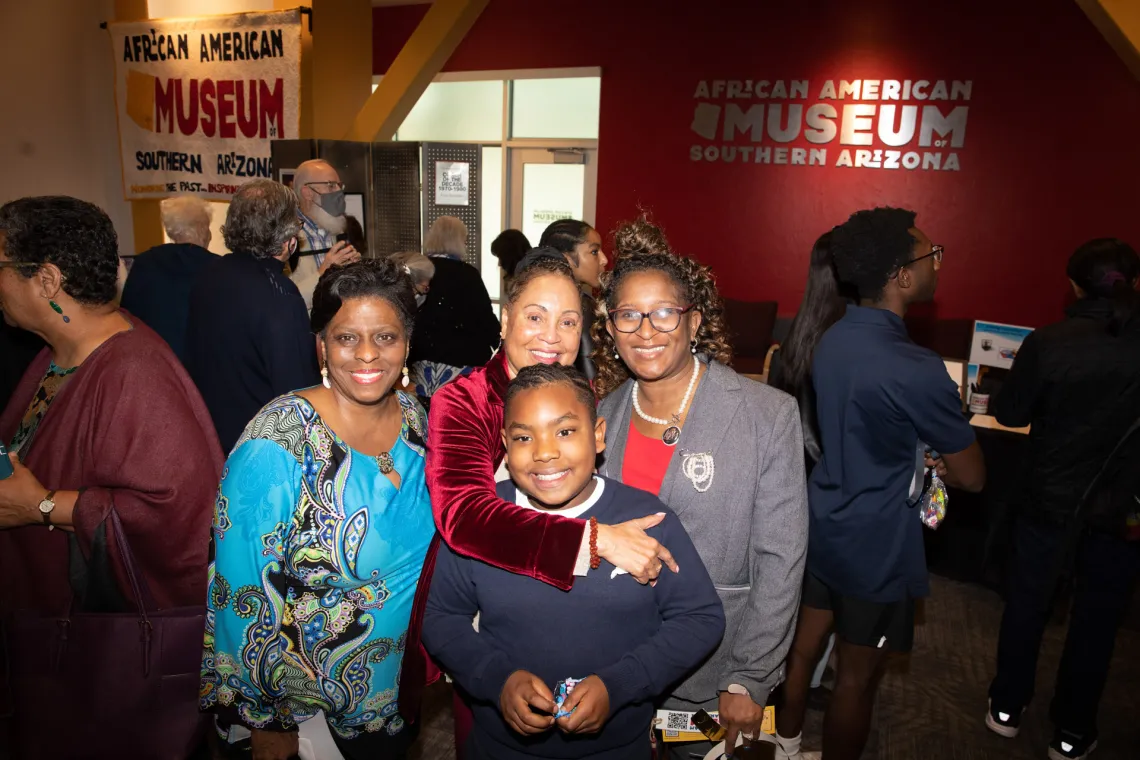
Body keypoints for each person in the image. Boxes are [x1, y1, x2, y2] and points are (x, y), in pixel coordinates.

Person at [399, 249, 680, 756]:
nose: (551, 336)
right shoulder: (464, 399)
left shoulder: (581, 393)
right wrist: (594, 542)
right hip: (488, 617)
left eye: (568, 321)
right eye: (535, 317)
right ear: (505, 320)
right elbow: (464, 516)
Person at [0, 196, 223, 756]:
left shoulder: (133, 372)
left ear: (46, 279)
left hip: (99, 654)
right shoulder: (61, 353)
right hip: (49, 633)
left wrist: (44, 506)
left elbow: (180, 514)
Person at [423, 364, 725, 760]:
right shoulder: (483, 520)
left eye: (565, 431)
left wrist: (619, 685)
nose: (545, 452)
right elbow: (440, 617)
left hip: (616, 748)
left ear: (598, 435)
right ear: (504, 443)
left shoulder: (647, 518)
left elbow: (700, 618)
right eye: (523, 436)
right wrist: (497, 680)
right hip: (501, 748)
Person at [592, 218, 808, 758]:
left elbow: (781, 557)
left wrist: (751, 677)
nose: (646, 330)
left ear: (694, 322)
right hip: (617, 666)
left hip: (714, 673)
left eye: (664, 312)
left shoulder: (766, 415)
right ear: (611, 329)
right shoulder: (601, 418)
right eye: (628, 315)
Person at [201, 258, 433, 760]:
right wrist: (265, 720)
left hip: (396, 702)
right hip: (307, 723)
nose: (367, 354)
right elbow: (240, 593)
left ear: (408, 343)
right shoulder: (280, 439)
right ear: (321, 345)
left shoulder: (419, 422)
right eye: (347, 337)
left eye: (386, 337)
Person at [775, 207, 986, 760]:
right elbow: (973, 475)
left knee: (801, 655)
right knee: (856, 678)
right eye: (931, 254)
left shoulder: (831, 340)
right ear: (903, 276)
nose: (938, 262)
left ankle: (786, 747)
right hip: (876, 544)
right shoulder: (916, 367)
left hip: (823, 521)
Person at [985, 239, 1140, 760]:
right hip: (1123, 510)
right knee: (1097, 622)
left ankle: (1006, 709)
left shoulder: (1051, 342)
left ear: (1073, 285)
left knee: (1027, 604)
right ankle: (1072, 734)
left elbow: (1008, 414)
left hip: (1049, 499)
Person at [768, 231, 853, 707]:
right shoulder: (850, 346)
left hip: (791, 487)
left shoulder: (795, 338)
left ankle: (788, 684)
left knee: (794, 596)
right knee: (826, 605)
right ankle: (808, 684)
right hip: (833, 491)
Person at [184, 179, 319, 453]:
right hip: (262, 445)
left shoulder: (208, 276)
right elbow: (298, 395)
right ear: (287, 239)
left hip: (210, 436)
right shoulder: (279, 292)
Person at [407, 216, 501, 398]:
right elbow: (485, 319)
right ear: (459, 241)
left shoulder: (418, 271)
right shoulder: (467, 274)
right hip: (461, 365)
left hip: (419, 364)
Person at [119, 194, 217, 362]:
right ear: (203, 228)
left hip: (156, 365)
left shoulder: (145, 263)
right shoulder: (219, 269)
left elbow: (127, 319)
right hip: (206, 370)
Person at [289, 159, 363, 311]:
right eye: (330, 185)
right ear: (308, 193)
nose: (338, 191)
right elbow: (282, 302)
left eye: (339, 185)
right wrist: (322, 273)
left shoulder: (342, 231)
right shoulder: (285, 238)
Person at [540, 219, 609, 382]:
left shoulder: (540, 299)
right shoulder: (580, 306)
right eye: (594, 252)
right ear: (566, 258)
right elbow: (594, 382)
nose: (604, 259)